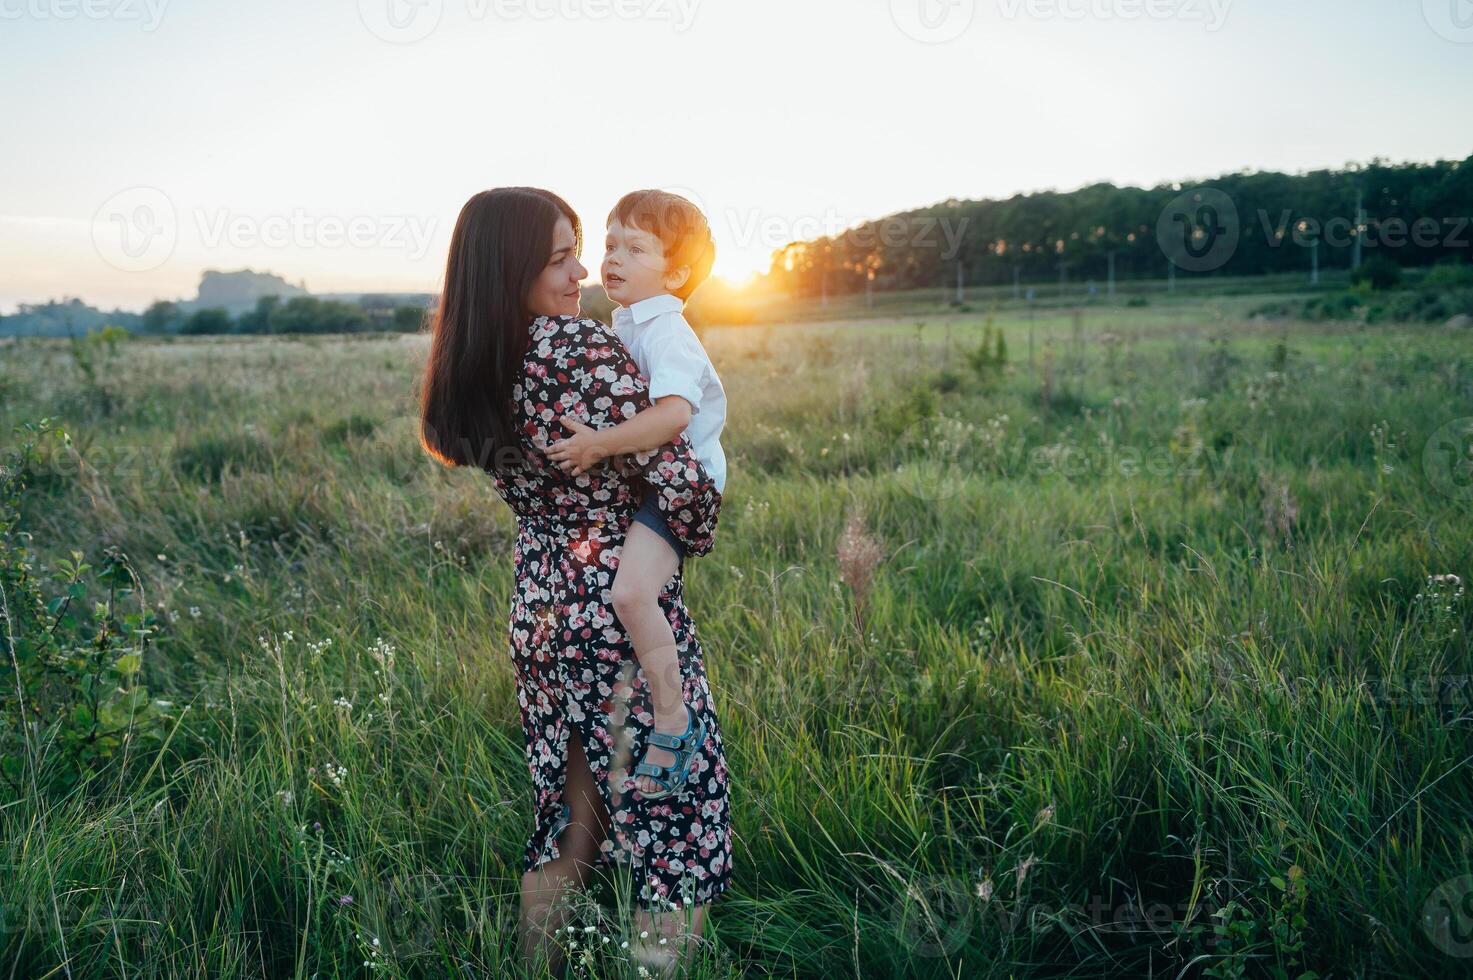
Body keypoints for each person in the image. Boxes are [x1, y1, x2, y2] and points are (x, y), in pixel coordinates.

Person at [417, 187, 733, 976]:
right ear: (512, 267)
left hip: (539, 605)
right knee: (676, 826)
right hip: (613, 613)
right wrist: (683, 534)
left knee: (568, 826)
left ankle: (537, 968)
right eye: (560, 257)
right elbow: (684, 484)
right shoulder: (580, 353)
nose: (582, 268)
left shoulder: (479, 362)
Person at [547, 189, 727, 799]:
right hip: (658, 479)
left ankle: (674, 718)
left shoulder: (667, 329)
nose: (612, 258)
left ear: (676, 272)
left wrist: (600, 445)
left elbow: (674, 414)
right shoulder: (628, 320)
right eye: (609, 243)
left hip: (683, 486)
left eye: (635, 247)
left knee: (629, 592)